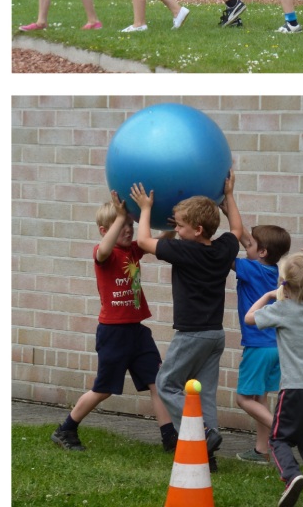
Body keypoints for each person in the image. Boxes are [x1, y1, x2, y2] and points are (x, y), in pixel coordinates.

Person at [129, 171, 242, 472]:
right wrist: (228, 196)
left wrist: (145, 208)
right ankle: (210, 451)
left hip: (191, 335)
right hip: (215, 335)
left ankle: (201, 435)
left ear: (197, 229)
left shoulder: (184, 250)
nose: (176, 230)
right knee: (204, 392)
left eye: (180, 226)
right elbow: (238, 230)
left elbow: (142, 241)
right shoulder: (221, 249)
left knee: (167, 383)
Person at [51, 191, 177, 453]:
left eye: (130, 226)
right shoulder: (103, 253)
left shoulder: (132, 251)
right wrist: (120, 216)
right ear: (104, 230)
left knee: (158, 382)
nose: (129, 231)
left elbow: (159, 242)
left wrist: (170, 228)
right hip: (113, 333)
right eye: (122, 227)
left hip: (137, 332)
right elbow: (104, 249)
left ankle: (169, 438)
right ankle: (66, 429)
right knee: (104, 389)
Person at [246, 250, 303, 506]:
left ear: (283, 283)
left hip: (295, 389)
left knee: (278, 439)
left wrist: (266, 297)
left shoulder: (282, 309)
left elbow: (248, 318)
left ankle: (292, 475)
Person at [231, 224, 291, 464]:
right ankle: (261, 451)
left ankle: (283, 432)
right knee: (260, 398)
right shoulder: (273, 270)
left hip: (258, 347)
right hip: (275, 347)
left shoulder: (250, 268)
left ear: (263, 251)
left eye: (250, 245)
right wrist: (228, 207)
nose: (246, 246)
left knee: (243, 399)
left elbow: (222, 253)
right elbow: (246, 237)